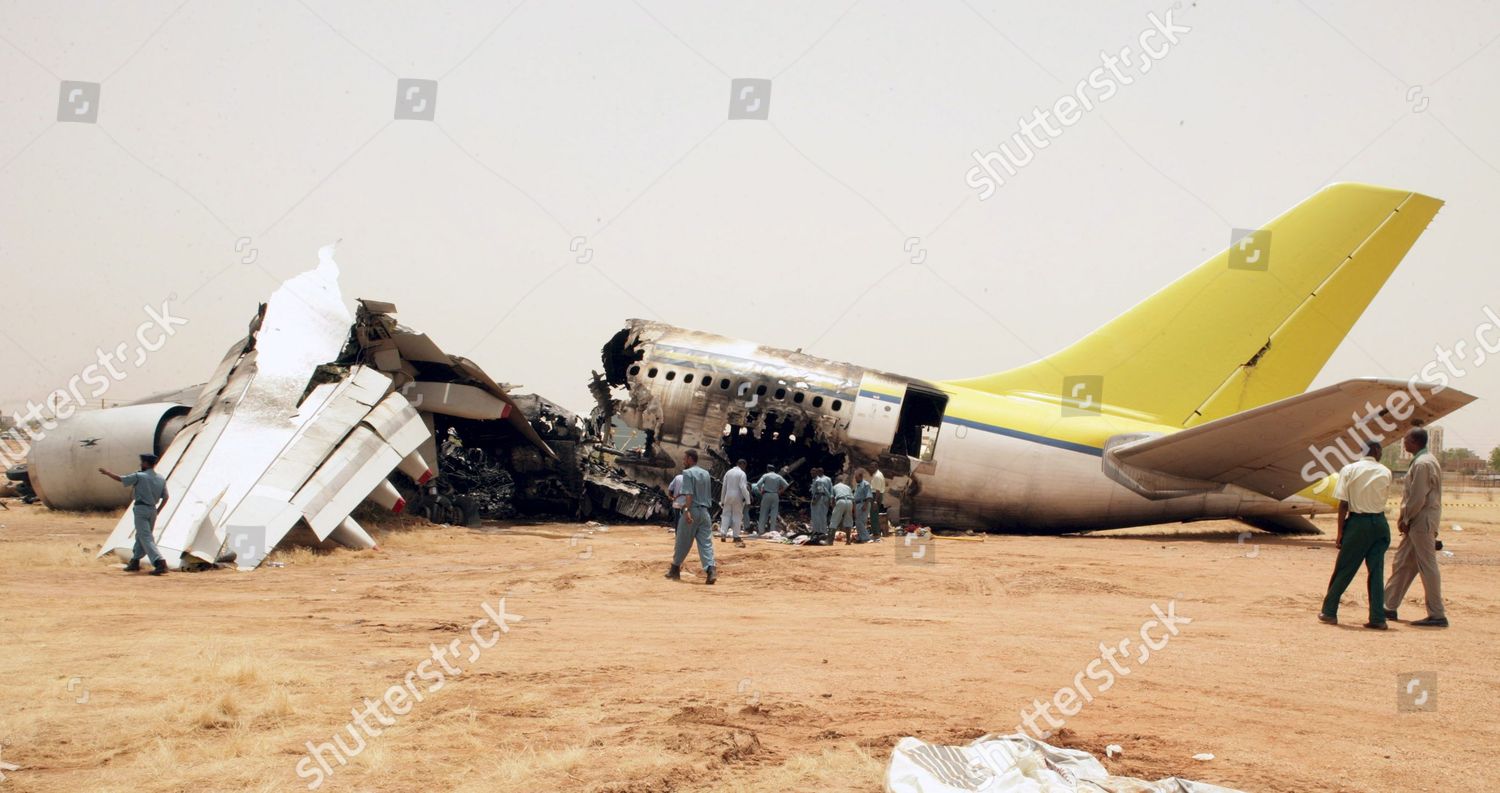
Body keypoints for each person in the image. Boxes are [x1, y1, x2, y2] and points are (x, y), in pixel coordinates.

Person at [1318, 442, 1392, 629]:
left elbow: (1343, 504)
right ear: (1376, 452)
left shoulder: (1349, 469)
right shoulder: (1385, 471)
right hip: (1380, 524)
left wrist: (1340, 532)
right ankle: (1377, 618)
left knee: (1345, 568)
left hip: (1358, 524)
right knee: (1376, 572)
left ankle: (1329, 612)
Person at [1384, 427, 1448, 627]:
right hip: (1418, 520)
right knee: (1403, 562)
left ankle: (1437, 614)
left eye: (1406, 439)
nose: (1404, 443)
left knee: (1427, 566)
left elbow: (1418, 496)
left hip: (1420, 520)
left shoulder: (1422, 464)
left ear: (1415, 442)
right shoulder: (1426, 460)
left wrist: (1405, 517)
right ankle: (1387, 606)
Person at [98, 453, 170, 575]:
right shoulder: (161, 478)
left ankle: (159, 562)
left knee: (145, 537)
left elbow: (122, 479)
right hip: (152, 510)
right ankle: (135, 561)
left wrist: (107, 473)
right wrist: (158, 511)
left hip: (141, 509)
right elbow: (166, 497)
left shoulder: (140, 476)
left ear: (146, 463)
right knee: (141, 536)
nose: (141, 464)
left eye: (142, 462)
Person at [666, 450, 717, 584]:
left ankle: (675, 569)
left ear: (690, 459)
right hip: (705, 512)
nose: (683, 461)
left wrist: (687, 510)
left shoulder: (687, 473)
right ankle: (711, 569)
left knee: (683, 541)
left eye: (684, 459)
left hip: (692, 510)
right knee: (706, 543)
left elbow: (688, 494)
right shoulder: (705, 473)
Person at [720, 458, 750, 546]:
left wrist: (722, 500)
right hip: (737, 497)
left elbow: (724, 487)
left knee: (725, 514)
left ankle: (723, 534)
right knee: (737, 515)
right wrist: (748, 500)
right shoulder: (742, 474)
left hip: (728, 496)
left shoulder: (728, 472)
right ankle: (736, 536)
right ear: (743, 465)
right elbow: (743, 487)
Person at [754, 465, 789, 534]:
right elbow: (786, 485)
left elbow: (758, 484)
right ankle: (772, 531)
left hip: (766, 494)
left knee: (763, 513)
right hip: (775, 495)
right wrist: (780, 491)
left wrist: (761, 490)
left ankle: (761, 531)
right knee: (774, 513)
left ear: (767, 469)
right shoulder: (778, 476)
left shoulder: (766, 475)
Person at [829, 476, 854, 544]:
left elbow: (832, 499)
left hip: (840, 501)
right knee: (848, 521)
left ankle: (830, 541)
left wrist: (834, 509)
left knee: (834, 520)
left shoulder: (834, 487)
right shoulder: (847, 487)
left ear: (836, 481)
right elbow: (852, 498)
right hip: (849, 502)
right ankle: (848, 541)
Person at [809, 468, 832, 538]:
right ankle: (816, 530)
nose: (811, 475)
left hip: (818, 499)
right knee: (815, 516)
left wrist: (815, 500)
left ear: (816, 473)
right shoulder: (815, 480)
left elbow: (820, 492)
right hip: (817, 497)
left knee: (819, 516)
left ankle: (821, 531)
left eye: (813, 473)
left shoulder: (819, 481)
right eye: (811, 473)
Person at [853, 469, 874, 543]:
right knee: (858, 522)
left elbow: (869, 495)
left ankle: (866, 538)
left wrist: (865, 504)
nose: (855, 479)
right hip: (858, 505)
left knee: (860, 522)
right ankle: (861, 537)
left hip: (863, 504)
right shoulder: (858, 486)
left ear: (861, 476)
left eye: (856, 477)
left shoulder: (865, 484)